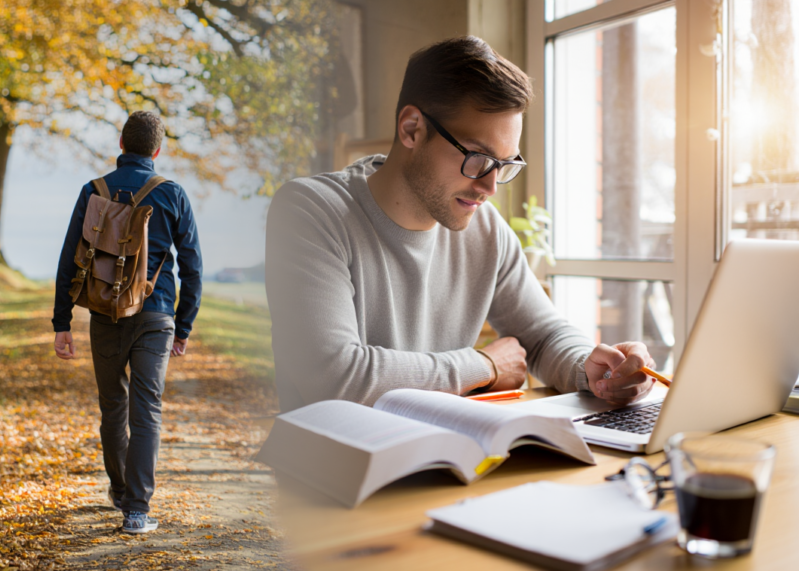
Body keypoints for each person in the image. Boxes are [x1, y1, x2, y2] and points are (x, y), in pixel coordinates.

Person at [265, 36, 655, 413]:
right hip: (336, 458)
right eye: (478, 157)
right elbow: (334, 377)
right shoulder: (311, 210)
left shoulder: (485, 229)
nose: (489, 187)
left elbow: (542, 337)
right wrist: (483, 366)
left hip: (446, 449)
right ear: (412, 128)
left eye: (504, 165)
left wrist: (594, 369)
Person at [52, 110, 202, 534]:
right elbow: (192, 267)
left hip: (105, 312)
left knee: (113, 407)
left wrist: (62, 322)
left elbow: (69, 257)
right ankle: (137, 510)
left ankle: (120, 492)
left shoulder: (94, 190)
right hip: (156, 314)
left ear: (121, 144)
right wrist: (184, 326)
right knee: (147, 410)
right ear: (157, 151)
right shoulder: (172, 194)